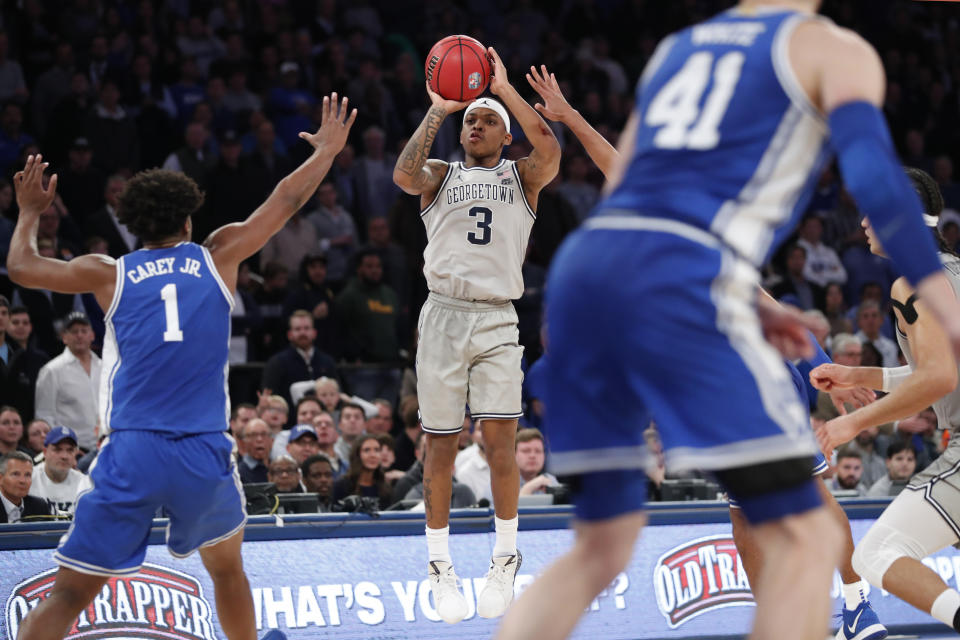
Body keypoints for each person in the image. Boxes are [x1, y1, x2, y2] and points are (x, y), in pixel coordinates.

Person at [497, 3, 960, 639]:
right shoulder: (813, 61)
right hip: (696, 336)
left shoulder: (679, 62)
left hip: (591, 300)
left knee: (605, 546)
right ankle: (850, 604)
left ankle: (847, 601)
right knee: (799, 515)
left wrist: (569, 114)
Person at [7, 90, 355, 640]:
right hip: (201, 446)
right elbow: (285, 201)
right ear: (189, 220)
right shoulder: (218, 256)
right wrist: (326, 152)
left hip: (132, 447)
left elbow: (21, 268)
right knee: (226, 570)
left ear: (134, 226)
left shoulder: (109, 271)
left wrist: (29, 211)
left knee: (70, 594)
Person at [392, 46, 560, 623]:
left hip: (496, 317)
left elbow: (551, 148)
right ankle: (440, 567)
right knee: (440, 445)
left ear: (504, 135)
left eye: (487, 120)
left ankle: (504, 557)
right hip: (441, 313)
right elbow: (402, 174)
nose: (476, 124)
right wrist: (439, 109)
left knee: (498, 442)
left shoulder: (522, 177)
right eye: (471, 119)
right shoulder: (439, 175)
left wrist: (504, 87)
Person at [813, 168, 960, 636]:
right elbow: (933, 372)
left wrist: (851, 423)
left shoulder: (911, 284)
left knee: (876, 553)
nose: (863, 223)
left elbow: (938, 378)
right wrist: (855, 375)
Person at [34, 311, 101, 451]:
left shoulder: (104, 367)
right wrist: (62, 449)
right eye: (74, 331)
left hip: (105, 446)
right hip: (72, 450)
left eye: (84, 330)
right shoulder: (52, 370)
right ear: (64, 337)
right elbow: (44, 416)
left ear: (92, 335)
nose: (79, 335)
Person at [30, 426, 85, 514]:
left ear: (76, 453)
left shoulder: (84, 483)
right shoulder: (29, 478)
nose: (64, 456)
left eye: (70, 450)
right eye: (57, 450)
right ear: (45, 452)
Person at [332, 434, 392, 510]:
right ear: (357, 454)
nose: (373, 455)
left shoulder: (385, 488)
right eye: (367, 450)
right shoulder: (341, 485)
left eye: (377, 450)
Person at [0, 452, 53, 523]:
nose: (22, 481)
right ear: (1, 478)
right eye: (15, 474)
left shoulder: (39, 506)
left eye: (27, 475)